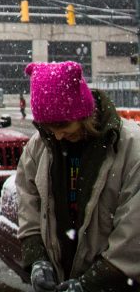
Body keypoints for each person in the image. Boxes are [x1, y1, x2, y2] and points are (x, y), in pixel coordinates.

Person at [16, 61, 140, 292]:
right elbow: (28, 201)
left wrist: (93, 283)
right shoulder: (40, 145)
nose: (59, 135)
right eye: (49, 127)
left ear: (84, 114)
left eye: (64, 125)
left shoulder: (132, 148)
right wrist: (37, 259)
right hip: (63, 277)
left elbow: (134, 232)